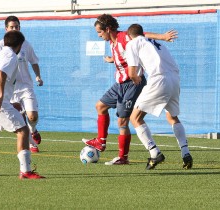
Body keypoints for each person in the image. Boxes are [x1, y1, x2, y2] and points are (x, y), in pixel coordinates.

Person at [82, 14, 178, 165]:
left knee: (123, 121)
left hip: (133, 83)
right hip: (120, 84)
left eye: (100, 32)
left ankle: (123, 157)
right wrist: (112, 60)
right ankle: (101, 142)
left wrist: (163, 36)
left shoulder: (123, 36)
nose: (99, 36)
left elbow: (142, 36)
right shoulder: (112, 43)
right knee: (100, 106)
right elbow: (125, 55)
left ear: (108, 29)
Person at [0, 30, 45, 179]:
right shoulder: (10, 55)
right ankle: (26, 171)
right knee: (23, 131)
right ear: (19, 45)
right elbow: (1, 74)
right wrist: (0, 96)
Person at [126, 23, 193, 170]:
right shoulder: (154, 42)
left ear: (129, 35)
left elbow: (132, 72)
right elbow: (146, 36)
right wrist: (162, 36)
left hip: (159, 79)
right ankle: (186, 152)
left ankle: (154, 152)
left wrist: (135, 78)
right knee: (172, 117)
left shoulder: (132, 43)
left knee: (135, 118)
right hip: (174, 79)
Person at [0, 16, 43, 153]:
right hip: (11, 89)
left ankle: (33, 130)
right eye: (12, 27)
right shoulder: (0, 46)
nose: (14, 29)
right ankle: (31, 144)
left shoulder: (25, 44)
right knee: (20, 119)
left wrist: (38, 76)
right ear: (6, 29)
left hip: (26, 87)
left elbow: (34, 61)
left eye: (17, 27)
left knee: (32, 116)